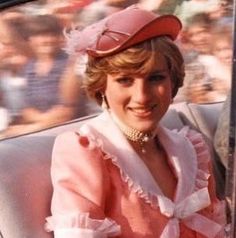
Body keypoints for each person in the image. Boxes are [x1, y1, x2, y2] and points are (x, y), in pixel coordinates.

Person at [45, 6, 226, 237]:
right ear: (101, 86)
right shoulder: (85, 152)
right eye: (125, 80)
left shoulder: (191, 150)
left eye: (156, 78)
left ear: (173, 83)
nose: (142, 96)